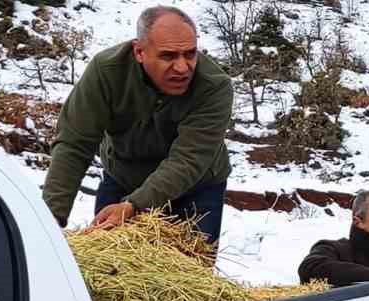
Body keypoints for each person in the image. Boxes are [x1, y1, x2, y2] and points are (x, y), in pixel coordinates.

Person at [42, 5, 234, 251]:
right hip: (123, 176)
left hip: (195, 186)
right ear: (139, 52)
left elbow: (188, 159)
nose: (183, 67)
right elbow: (74, 143)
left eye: (190, 54)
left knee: (187, 280)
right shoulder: (106, 71)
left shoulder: (214, 86)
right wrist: (50, 218)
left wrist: (134, 205)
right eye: (168, 56)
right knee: (107, 268)